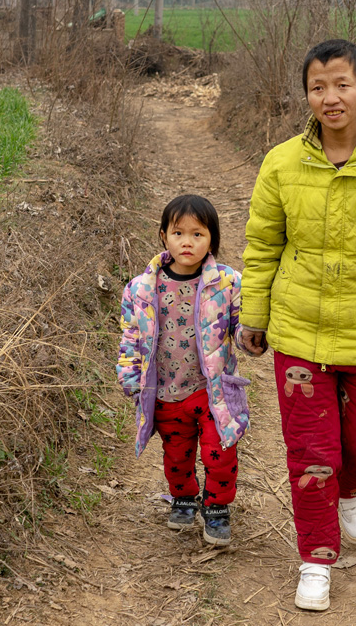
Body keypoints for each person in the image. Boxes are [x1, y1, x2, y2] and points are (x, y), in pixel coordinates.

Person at [239, 38, 356, 611]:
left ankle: (351, 490)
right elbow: (262, 244)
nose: (330, 97)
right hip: (299, 335)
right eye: (318, 87)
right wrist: (255, 316)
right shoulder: (281, 163)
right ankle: (315, 562)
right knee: (310, 453)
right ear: (307, 96)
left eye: (342, 85)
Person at [117, 194, 252, 547]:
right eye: (179, 233)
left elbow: (240, 326)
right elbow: (132, 335)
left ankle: (218, 508)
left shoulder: (227, 282)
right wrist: (130, 374)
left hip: (212, 389)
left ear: (212, 240)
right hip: (164, 389)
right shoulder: (141, 289)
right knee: (176, 454)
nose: (187, 242)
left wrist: (251, 337)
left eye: (198, 234)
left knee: (219, 451)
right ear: (164, 236)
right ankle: (183, 497)